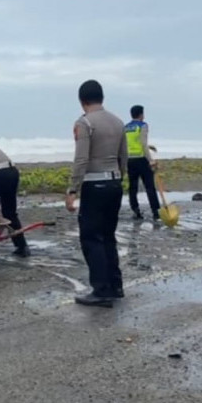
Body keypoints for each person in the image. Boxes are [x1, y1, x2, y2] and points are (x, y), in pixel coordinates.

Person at [65, 80, 128, 308]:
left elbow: (81, 159)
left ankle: (101, 290)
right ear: (102, 98)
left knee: (91, 237)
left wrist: (73, 189)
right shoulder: (119, 122)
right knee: (108, 235)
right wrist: (118, 179)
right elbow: (124, 157)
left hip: (94, 185)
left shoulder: (84, 123)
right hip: (114, 184)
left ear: (82, 101)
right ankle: (116, 285)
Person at [124, 105, 161, 221]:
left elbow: (131, 143)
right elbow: (143, 144)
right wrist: (151, 160)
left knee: (133, 187)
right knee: (150, 186)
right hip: (141, 159)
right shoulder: (143, 126)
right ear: (141, 114)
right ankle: (156, 212)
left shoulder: (126, 127)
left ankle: (136, 211)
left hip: (130, 160)